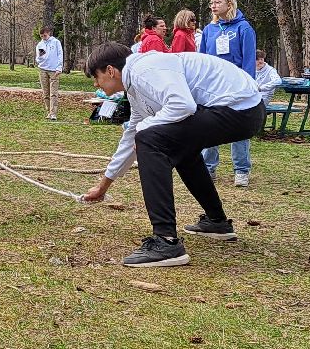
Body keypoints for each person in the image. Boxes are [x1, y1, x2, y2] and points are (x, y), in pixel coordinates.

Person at [82, 43, 265, 267]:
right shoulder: (136, 87)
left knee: (150, 139)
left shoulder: (145, 69)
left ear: (110, 70)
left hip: (241, 109)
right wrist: (103, 187)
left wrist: (144, 130)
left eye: (96, 77)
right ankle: (217, 222)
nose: (95, 83)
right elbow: (130, 138)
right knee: (177, 147)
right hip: (241, 111)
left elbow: (183, 105)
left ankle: (166, 243)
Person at [198, 0, 258, 187]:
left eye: (217, 2)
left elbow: (249, 59)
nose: (213, 6)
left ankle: (241, 170)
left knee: (238, 127)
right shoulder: (209, 30)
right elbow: (203, 59)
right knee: (209, 126)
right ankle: (208, 167)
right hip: (213, 86)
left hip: (237, 85)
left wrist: (249, 84)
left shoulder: (244, 28)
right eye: (211, 3)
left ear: (229, 4)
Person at [35, 25, 63, 120]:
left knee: (53, 93)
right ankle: (48, 112)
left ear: (49, 34)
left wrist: (59, 68)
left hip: (54, 70)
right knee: (45, 93)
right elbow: (38, 57)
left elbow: (60, 54)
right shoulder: (40, 45)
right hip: (43, 69)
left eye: (45, 36)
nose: (43, 38)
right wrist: (40, 58)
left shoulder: (56, 42)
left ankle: (53, 113)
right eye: (41, 36)